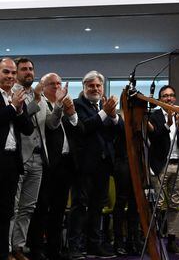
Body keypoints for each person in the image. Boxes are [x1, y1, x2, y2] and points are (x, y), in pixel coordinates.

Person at [11, 58, 65, 260]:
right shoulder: (13, 94)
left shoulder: (39, 96)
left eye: (31, 69)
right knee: (13, 208)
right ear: (16, 73)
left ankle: (19, 247)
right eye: (23, 69)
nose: (28, 72)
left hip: (39, 159)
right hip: (19, 157)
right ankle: (8, 248)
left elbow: (50, 125)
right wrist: (35, 99)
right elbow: (22, 117)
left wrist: (58, 105)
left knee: (28, 207)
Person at [27, 73, 84, 260]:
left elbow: (79, 131)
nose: (57, 86)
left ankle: (55, 249)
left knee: (59, 210)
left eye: (59, 83)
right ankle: (37, 248)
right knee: (42, 209)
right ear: (42, 87)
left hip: (67, 165)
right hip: (48, 164)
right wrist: (59, 106)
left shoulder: (67, 104)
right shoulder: (41, 105)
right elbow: (51, 126)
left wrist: (72, 113)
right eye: (52, 84)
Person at [67, 70, 119, 259]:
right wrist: (106, 112)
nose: (95, 88)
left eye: (98, 85)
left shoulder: (102, 106)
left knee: (97, 207)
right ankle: (74, 246)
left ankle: (93, 245)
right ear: (84, 87)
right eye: (91, 85)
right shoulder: (76, 104)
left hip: (103, 164)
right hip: (84, 164)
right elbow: (84, 128)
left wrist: (113, 116)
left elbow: (116, 131)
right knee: (80, 206)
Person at [147, 85, 179, 254]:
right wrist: (168, 124)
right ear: (159, 99)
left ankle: (172, 239)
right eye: (165, 96)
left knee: (174, 205)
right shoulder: (154, 116)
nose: (169, 98)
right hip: (161, 166)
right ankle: (157, 239)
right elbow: (154, 137)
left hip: (178, 165)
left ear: (175, 98)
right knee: (160, 204)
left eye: (171, 95)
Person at [0, 58, 34, 260]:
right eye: (6, 72)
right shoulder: (9, 99)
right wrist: (13, 107)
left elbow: (28, 129)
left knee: (6, 212)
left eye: (13, 73)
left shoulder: (15, 96)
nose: (11, 77)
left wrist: (19, 110)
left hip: (12, 162)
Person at [112, 111, 142, 256]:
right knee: (121, 201)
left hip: (137, 163)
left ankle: (133, 240)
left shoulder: (139, 118)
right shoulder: (118, 115)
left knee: (135, 203)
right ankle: (118, 241)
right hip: (122, 162)